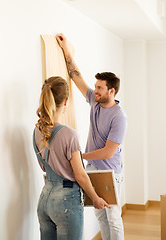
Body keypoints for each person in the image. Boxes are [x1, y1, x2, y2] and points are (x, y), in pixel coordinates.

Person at [56, 33, 128, 240]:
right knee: (100, 214)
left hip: (110, 172)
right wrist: (66, 51)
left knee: (113, 217)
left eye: (99, 88)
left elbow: (108, 151)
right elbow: (76, 77)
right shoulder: (95, 101)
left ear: (111, 91)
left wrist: (80, 157)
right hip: (93, 169)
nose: (94, 90)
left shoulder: (119, 117)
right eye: (95, 87)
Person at [32, 76, 109, 240]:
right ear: (65, 102)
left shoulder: (37, 131)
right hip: (66, 202)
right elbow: (80, 175)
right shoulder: (69, 134)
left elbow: (44, 166)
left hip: (45, 199)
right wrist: (95, 198)